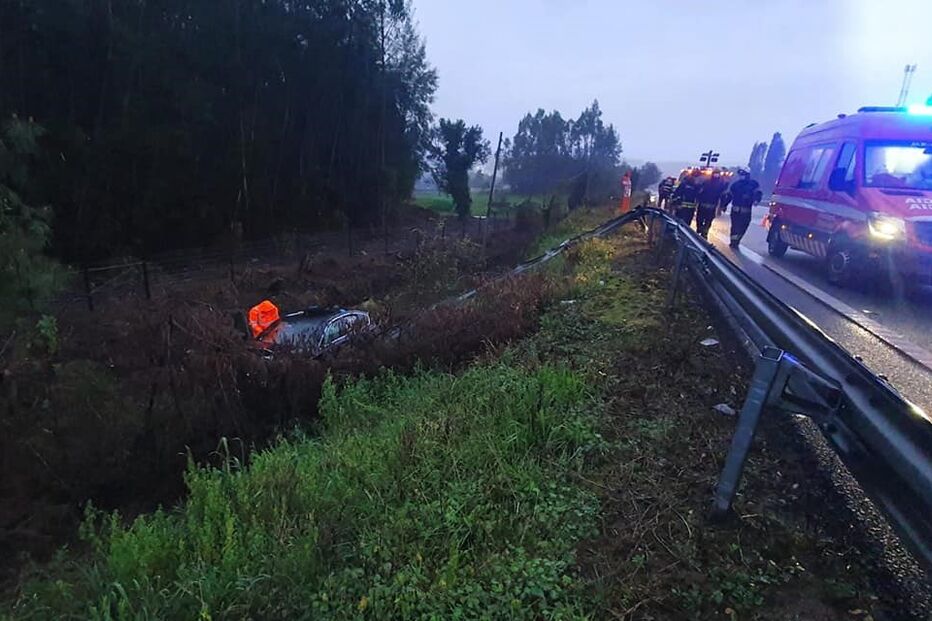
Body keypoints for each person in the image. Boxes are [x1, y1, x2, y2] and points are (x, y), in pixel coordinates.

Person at [724, 168, 763, 248]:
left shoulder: (753, 184)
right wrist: (724, 205)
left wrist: (756, 200)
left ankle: (737, 239)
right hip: (735, 210)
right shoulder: (735, 185)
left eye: (743, 174)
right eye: (740, 175)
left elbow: (758, 193)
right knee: (735, 226)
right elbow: (729, 196)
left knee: (744, 226)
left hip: (746, 211)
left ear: (747, 175)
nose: (741, 176)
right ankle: (733, 242)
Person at [695, 171, 728, 239]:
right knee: (700, 219)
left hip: (711, 206)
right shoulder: (706, 182)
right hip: (703, 205)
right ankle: (700, 229)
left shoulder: (721, 185)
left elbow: (723, 196)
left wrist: (723, 205)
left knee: (708, 220)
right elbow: (699, 192)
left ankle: (704, 232)